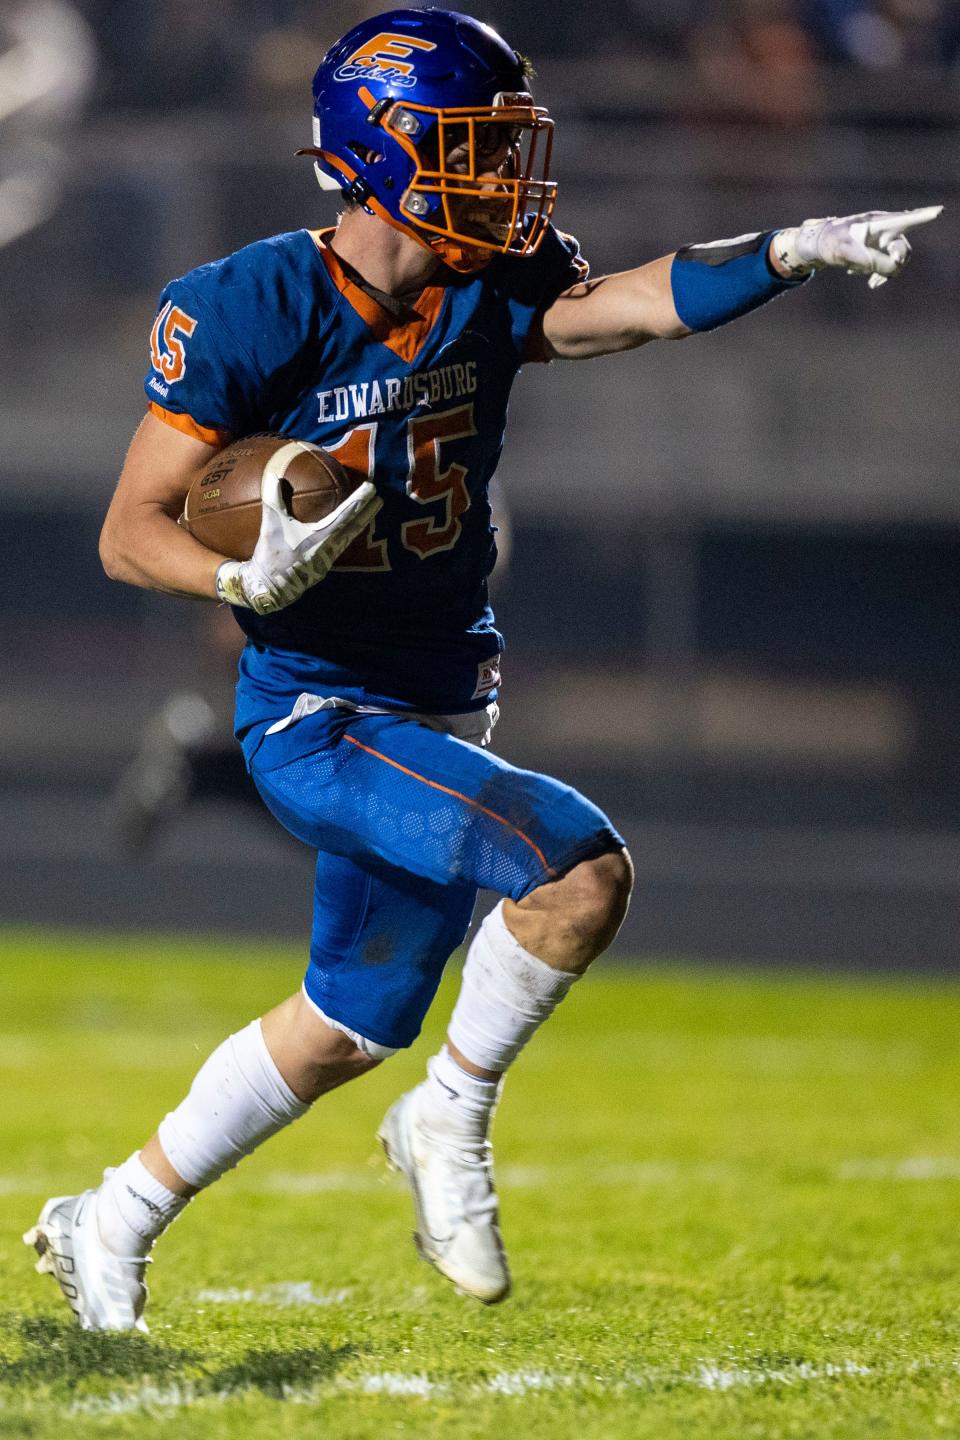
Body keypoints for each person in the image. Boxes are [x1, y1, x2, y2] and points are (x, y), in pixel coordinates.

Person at [24, 7, 940, 1332]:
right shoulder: (246, 305)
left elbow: (624, 307)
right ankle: (448, 1118)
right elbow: (130, 533)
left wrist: (787, 252)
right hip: (322, 712)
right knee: (577, 875)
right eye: (473, 143)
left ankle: (107, 1219)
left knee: (347, 1023)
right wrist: (240, 580)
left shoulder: (483, 277)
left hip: (448, 689)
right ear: (381, 150)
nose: (506, 173)